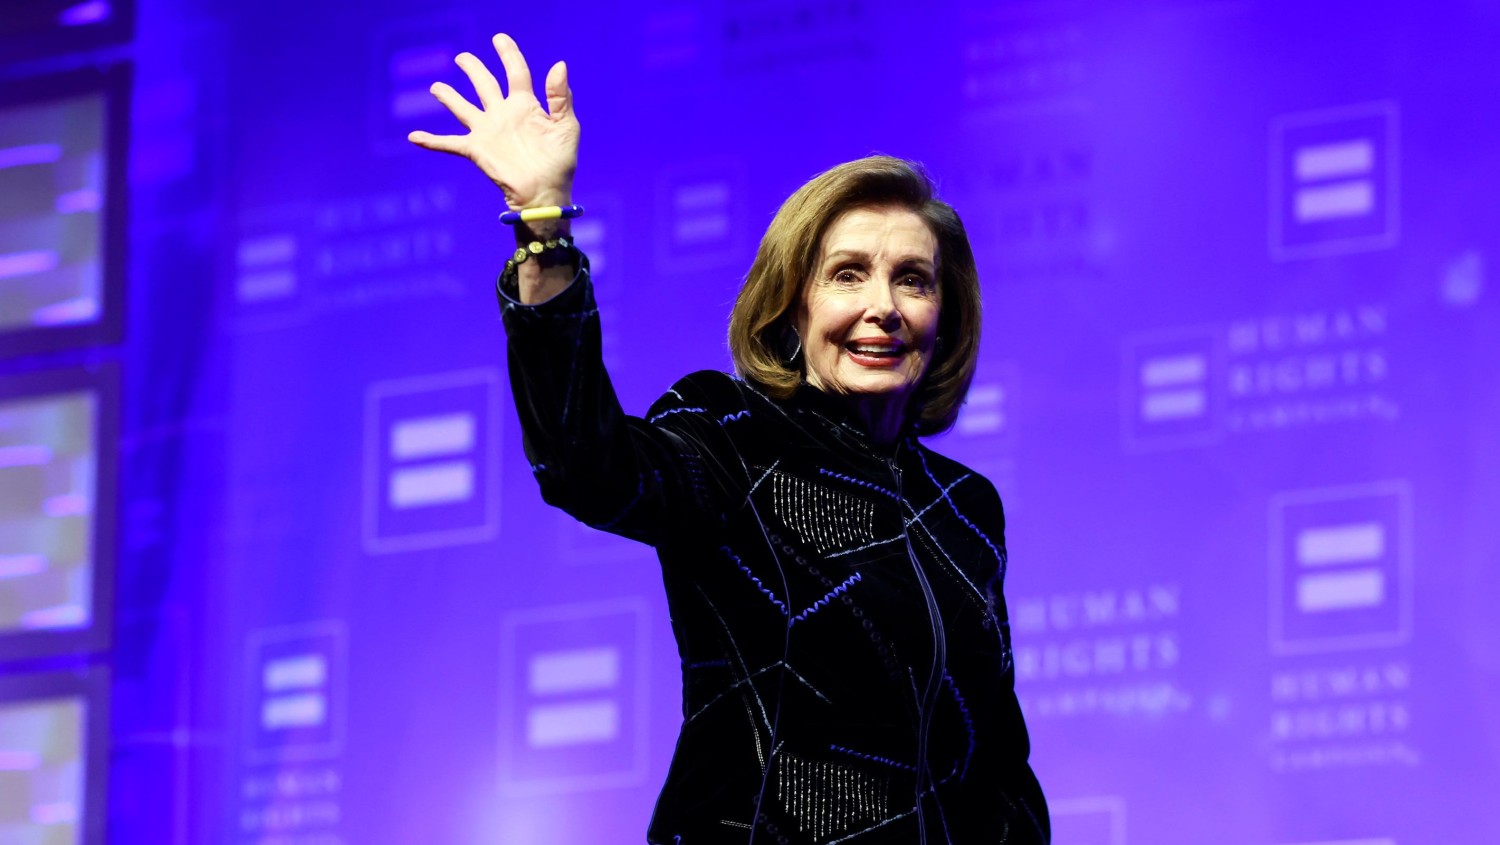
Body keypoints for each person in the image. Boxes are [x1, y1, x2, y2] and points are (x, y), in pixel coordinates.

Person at [410, 33, 1049, 845]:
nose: (882, 306)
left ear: (944, 314)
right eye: (847, 273)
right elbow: (586, 463)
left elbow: (998, 764)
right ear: (791, 302)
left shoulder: (966, 506)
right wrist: (543, 226)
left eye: (912, 280)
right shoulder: (730, 436)